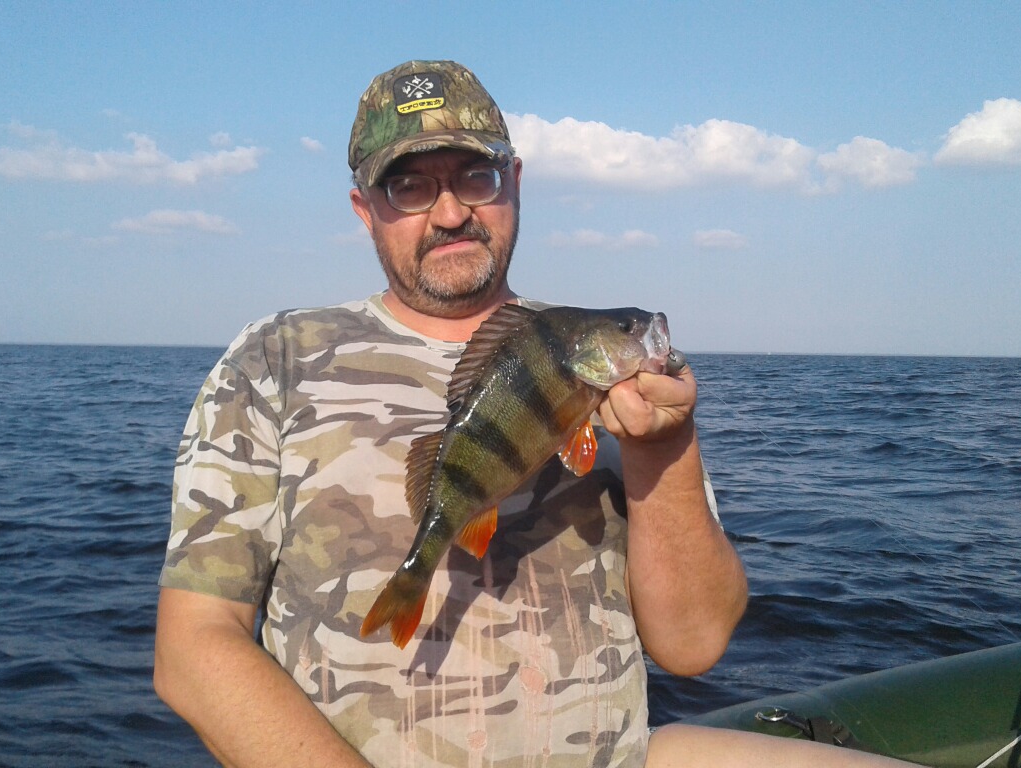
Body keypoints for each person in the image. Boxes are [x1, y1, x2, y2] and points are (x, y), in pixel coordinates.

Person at [154, 60, 923, 768]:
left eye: (475, 176)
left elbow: (694, 645)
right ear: (365, 209)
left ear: (514, 180)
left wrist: (666, 449)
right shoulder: (274, 361)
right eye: (409, 186)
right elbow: (193, 648)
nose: (450, 211)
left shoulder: (617, 378)